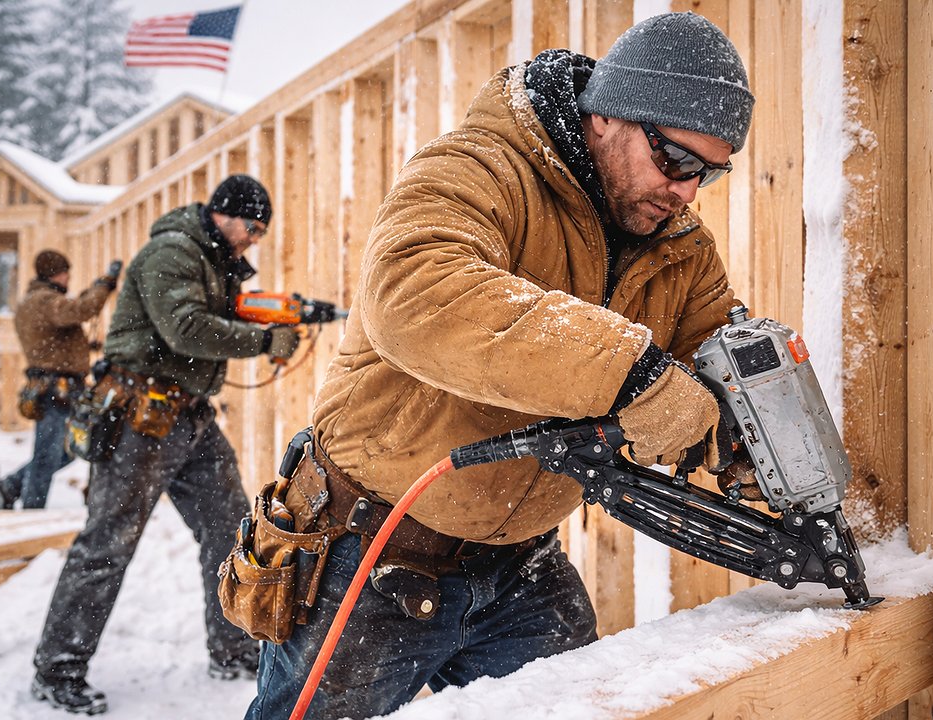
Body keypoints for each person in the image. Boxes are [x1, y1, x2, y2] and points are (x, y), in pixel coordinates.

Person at [243, 12, 755, 719]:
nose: (686, 191)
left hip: (520, 566)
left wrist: (757, 433)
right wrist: (632, 375)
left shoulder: (676, 243)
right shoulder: (481, 167)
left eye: (709, 173)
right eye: (675, 161)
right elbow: (414, 289)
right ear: (607, 116)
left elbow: (717, 348)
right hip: (367, 550)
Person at [29, 175, 301, 715]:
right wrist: (268, 339)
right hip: (139, 420)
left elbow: (218, 315)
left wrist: (278, 314)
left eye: (261, 232)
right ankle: (57, 668)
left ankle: (233, 647)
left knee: (229, 530)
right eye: (251, 227)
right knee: (107, 544)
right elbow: (186, 330)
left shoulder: (212, 260)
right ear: (223, 213)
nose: (253, 240)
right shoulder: (170, 251)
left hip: (191, 420)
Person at [0, 250, 118, 510]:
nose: (68, 276)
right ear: (52, 274)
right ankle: (32, 512)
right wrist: (104, 286)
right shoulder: (45, 301)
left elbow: (62, 326)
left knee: (69, 451)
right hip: (55, 389)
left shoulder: (37, 301)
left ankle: (10, 486)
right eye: (64, 271)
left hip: (55, 387)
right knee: (49, 454)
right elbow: (80, 310)